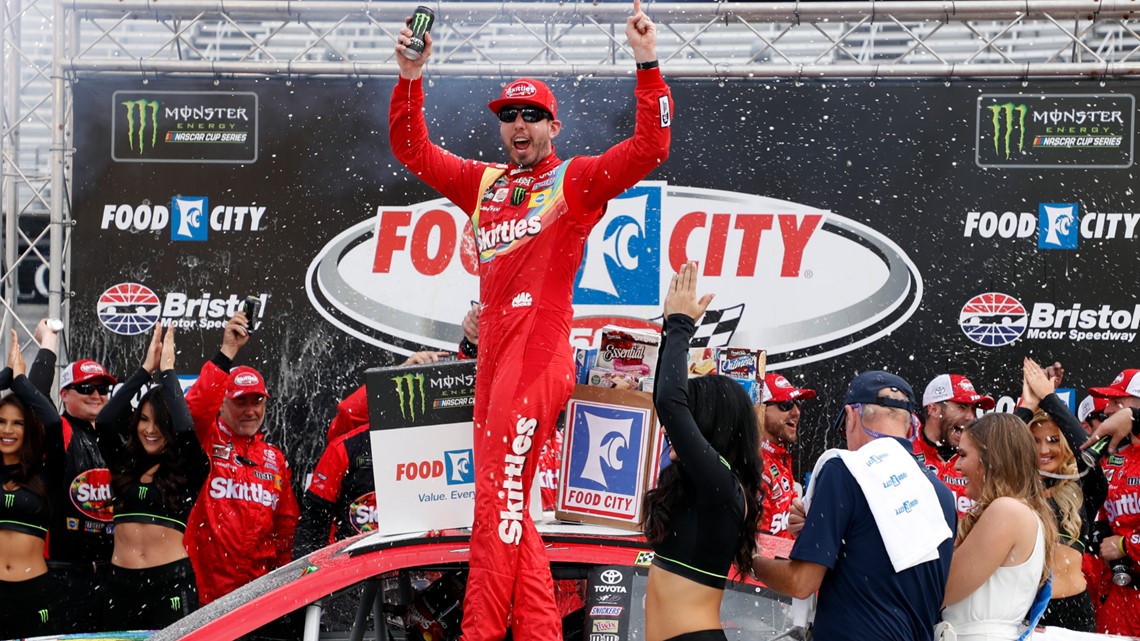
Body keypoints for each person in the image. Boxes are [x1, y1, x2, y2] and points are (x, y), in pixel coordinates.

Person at [388, 0, 672, 636]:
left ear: (553, 127)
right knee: (508, 509)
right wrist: (410, 75)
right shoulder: (485, 183)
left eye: (533, 115)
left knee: (496, 503)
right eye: (509, 116)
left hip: (537, 353)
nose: (519, 124)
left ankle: (482, 634)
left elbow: (652, 146)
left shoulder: (573, 182)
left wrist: (647, 62)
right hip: (493, 356)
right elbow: (411, 148)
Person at [751, 370, 956, 641]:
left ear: (851, 416)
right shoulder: (941, 493)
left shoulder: (844, 470)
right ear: (909, 427)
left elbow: (800, 582)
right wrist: (818, 533)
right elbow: (886, 567)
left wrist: (751, 561)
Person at [641, 262, 762, 641]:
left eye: (690, 420)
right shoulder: (702, 484)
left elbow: (670, 403)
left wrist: (678, 325)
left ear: (709, 425)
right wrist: (669, 329)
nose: (673, 430)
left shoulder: (721, 483)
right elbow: (668, 399)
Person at [184, 312, 300, 605]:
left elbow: (286, 530)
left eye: (257, 401)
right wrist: (227, 353)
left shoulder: (274, 459)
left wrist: (288, 587)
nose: (251, 411)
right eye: (241, 402)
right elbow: (195, 409)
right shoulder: (205, 440)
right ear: (222, 402)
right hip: (205, 596)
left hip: (258, 598)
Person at [98, 324, 208, 629]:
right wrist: (146, 369)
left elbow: (186, 429)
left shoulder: (189, 467)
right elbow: (106, 422)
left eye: (159, 422)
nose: (149, 430)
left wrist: (168, 371)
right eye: (143, 420)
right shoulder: (124, 463)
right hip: (119, 584)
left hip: (170, 584)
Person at [938, 413, 1057, 641]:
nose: (958, 465)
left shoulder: (1006, 511)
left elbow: (943, 589)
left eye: (963, 454)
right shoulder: (1018, 511)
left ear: (990, 458)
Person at [33, 334, 119, 631]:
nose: (96, 395)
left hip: (112, 576)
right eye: (86, 388)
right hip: (65, 575)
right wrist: (48, 347)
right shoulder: (61, 432)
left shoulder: (117, 438)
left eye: (103, 388)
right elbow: (34, 396)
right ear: (64, 394)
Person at [1015, 358, 1101, 632]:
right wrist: (1027, 406)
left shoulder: (1083, 487)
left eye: (1053, 440)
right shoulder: (1011, 488)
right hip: (1022, 611)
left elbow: (1088, 454)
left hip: (1075, 613)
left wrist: (1051, 399)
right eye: (1034, 441)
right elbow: (996, 456)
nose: (1043, 450)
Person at [0, 330, 67, 638]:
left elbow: (52, 421)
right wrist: (5, 377)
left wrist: (20, 383)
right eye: (1, 422)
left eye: (17, 423)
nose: (8, 430)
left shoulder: (45, 474)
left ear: (28, 430)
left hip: (36, 595)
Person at [1082, 372, 1140, 635]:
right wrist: (1097, 534)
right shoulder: (1112, 458)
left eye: (1118, 402)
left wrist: (1125, 545)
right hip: (1118, 592)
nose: (1108, 410)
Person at [914, 373, 996, 515]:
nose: (971, 417)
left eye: (973, 409)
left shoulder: (982, 454)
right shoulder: (906, 452)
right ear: (934, 409)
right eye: (962, 407)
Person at [757, 372, 815, 539]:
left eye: (797, 403)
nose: (796, 412)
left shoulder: (779, 456)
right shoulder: (753, 463)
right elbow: (754, 551)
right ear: (761, 410)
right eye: (786, 404)